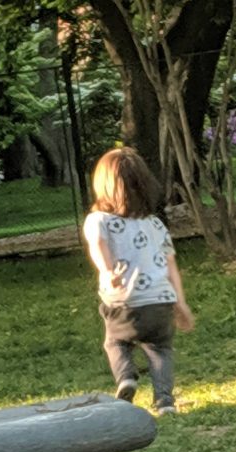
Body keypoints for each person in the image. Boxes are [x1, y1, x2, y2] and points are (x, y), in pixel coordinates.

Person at [83, 147, 194, 415]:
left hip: (124, 300)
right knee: (161, 349)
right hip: (160, 300)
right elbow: (171, 265)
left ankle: (126, 378)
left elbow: (98, 244)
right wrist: (181, 302)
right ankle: (165, 401)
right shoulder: (156, 224)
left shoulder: (99, 220)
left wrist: (108, 271)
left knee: (116, 342)